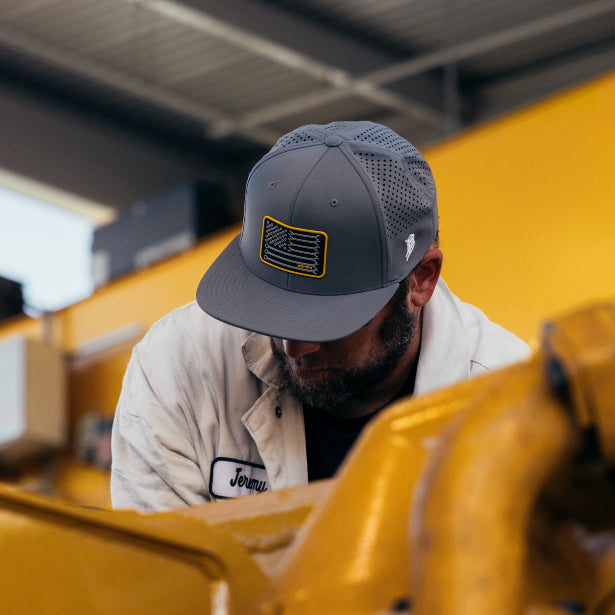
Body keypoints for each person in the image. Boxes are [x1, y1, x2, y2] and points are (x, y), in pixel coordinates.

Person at [111, 121, 530, 511]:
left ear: (421, 279)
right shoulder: (180, 368)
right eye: (271, 309)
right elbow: (156, 582)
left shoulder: (513, 407)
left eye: (328, 320)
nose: (293, 346)